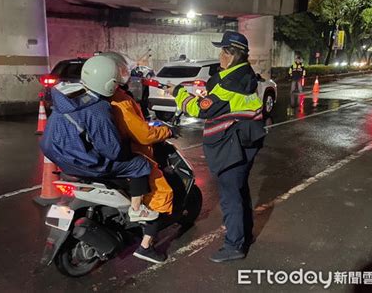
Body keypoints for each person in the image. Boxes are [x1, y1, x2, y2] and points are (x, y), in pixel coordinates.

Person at [167, 31, 266, 262]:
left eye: (222, 51)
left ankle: (234, 246)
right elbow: (222, 102)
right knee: (240, 191)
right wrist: (208, 95)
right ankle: (243, 236)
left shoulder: (229, 83)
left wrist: (178, 93)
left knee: (230, 197)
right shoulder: (242, 75)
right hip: (246, 140)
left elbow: (199, 109)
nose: (219, 55)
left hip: (232, 145)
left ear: (231, 55)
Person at [40, 55, 158, 222]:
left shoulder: (66, 94)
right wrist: (126, 146)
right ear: (109, 84)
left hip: (55, 155)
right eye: (116, 83)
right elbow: (112, 150)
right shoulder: (98, 109)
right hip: (81, 162)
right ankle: (137, 209)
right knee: (140, 164)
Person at [102, 51, 174, 264]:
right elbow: (143, 135)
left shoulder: (103, 97)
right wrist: (166, 131)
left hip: (110, 156)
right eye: (124, 70)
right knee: (162, 194)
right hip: (135, 154)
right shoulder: (120, 101)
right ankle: (145, 246)